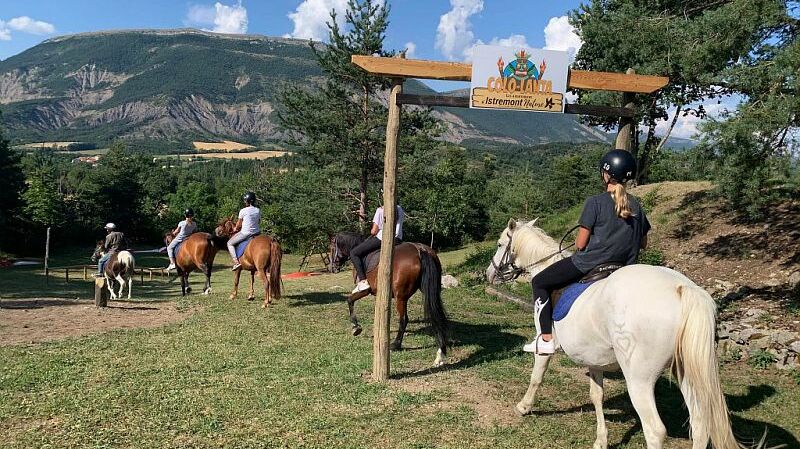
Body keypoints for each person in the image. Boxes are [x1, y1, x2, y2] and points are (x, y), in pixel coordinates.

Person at [523, 149, 651, 355]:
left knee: (539, 282)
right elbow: (643, 243)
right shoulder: (636, 205)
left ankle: (545, 338)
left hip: (590, 263)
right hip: (625, 268)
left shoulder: (595, 202)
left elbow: (581, 244)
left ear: (606, 175)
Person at [350, 201, 405, 294]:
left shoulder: (380, 210)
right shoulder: (400, 209)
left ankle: (363, 281)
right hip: (398, 239)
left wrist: (372, 229)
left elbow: (374, 231)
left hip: (383, 239)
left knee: (354, 253)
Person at [227, 191, 261, 271]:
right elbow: (258, 222)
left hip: (246, 233)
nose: (244, 202)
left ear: (248, 201)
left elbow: (238, 225)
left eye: (245, 200)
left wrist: (235, 229)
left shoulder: (243, 211)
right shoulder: (258, 210)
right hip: (257, 233)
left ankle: (236, 262)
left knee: (229, 243)